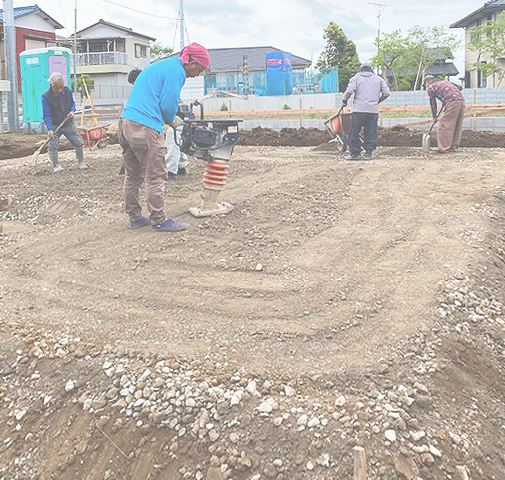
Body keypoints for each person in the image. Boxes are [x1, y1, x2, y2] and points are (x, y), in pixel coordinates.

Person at [118, 43, 209, 232]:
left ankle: (135, 217)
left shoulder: (162, 65)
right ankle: (158, 220)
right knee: (156, 176)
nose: (197, 74)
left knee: (133, 175)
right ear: (190, 62)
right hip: (145, 127)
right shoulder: (177, 72)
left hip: (126, 123)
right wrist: (171, 119)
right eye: (198, 69)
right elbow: (168, 103)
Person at [342, 62, 390, 160]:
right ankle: (368, 153)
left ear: (361, 70)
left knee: (354, 131)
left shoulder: (355, 78)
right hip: (373, 111)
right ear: (371, 70)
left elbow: (350, 90)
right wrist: (377, 101)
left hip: (359, 110)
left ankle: (355, 154)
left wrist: (344, 100)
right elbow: (386, 93)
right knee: (371, 131)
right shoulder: (379, 79)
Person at [42, 73, 87, 173]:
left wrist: (72, 110)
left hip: (68, 122)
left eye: (61, 87)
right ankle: (56, 165)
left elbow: (72, 103)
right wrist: (49, 129)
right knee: (53, 145)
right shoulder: (46, 97)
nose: (60, 90)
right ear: (51, 86)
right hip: (54, 124)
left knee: (78, 142)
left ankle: (81, 162)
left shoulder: (67, 91)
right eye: (57, 88)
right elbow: (46, 115)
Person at [424, 75, 465, 154]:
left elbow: (433, 103)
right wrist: (445, 99)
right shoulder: (445, 82)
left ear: (428, 83)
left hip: (452, 101)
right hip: (461, 100)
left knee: (444, 124)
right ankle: (453, 147)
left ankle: (443, 148)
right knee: (456, 124)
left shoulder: (431, 87)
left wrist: (434, 117)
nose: (426, 86)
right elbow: (459, 88)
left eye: (425, 84)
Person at [165, 102, 189, 179]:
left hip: (174, 118)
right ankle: (181, 167)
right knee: (180, 142)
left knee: (173, 144)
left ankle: (170, 171)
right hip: (179, 117)